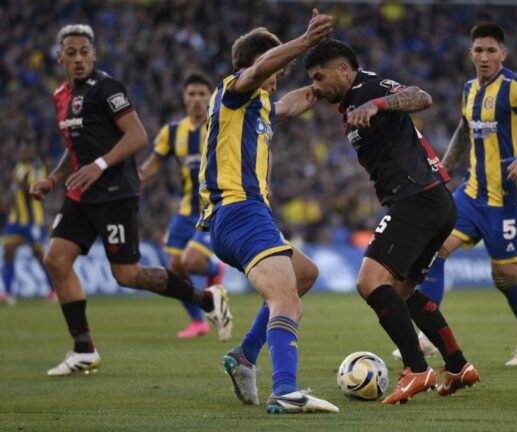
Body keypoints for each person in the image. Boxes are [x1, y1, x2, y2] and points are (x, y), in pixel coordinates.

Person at [29, 24, 232, 377]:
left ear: (94, 55)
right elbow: (75, 148)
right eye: (71, 53)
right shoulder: (60, 95)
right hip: (81, 193)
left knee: (127, 275)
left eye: (84, 52)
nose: (78, 59)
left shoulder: (107, 88)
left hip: (115, 192)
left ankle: (207, 299)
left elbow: (137, 136)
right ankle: (84, 349)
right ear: (60, 57)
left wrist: (99, 166)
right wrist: (53, 179)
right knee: (56, 260)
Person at [306, 39, 480, 404]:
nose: (316, 86)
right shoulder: (347, 102)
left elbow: (421, 96)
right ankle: (457, 365)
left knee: (369, 282)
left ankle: (417, 369)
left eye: (319, 77)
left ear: (343, 70)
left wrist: (377, 104)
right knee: (403, 292)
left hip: (416, 199)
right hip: (433, 201)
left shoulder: (368, 87)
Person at [198, 10, 338, 414]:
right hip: (240, 211)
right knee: (287, 301)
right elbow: (259, 69)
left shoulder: (255, 107)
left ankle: (245, 355)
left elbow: (290, 106)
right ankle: (285, 390)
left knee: (305, 274)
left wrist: (323, 87)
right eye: (279, 67)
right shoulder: (234, 90)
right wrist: (305, 41)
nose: (280, 76)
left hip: (241, 216)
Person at [419, 22, 517, 366]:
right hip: (471, 194)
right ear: (470, 53)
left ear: (503, 54)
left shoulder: (516, 87)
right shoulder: (469, 89)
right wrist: (442, 171)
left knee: (505, 277)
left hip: (509, 201)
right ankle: (427, 332)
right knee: (433, 250)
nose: (484, 57)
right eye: (478, 50)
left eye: (491, 50)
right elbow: (464, 130)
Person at [139, 72, 227, 339]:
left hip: (213, 208)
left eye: (202, 94)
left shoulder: (221, 124)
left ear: (210, 97)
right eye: (192, 94)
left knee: (190, 262)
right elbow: (153, 163)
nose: (197, 99)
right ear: (184, 98)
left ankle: (214, 269)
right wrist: (136, 178)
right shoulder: (172, 131)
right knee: (175, 269)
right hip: (186, 210)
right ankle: (198, 322)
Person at [1, 144, 57, 306]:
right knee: (8, 251)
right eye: (20, 150)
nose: (21, 153)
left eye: (25, 150)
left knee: (39, 256)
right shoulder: (19, 166)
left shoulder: (37, 168)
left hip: (33, 221)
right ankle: (7, 293)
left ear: (32, 152)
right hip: (15, 219)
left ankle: (53, 290)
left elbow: (34, 191)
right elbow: (14, 192)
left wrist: (18, 182)